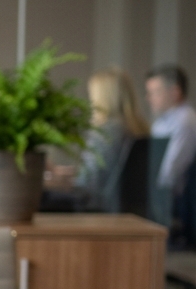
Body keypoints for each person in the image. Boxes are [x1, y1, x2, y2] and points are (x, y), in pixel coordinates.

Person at [73, 67, 150, 212]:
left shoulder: (104, 132)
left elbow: (86, 183)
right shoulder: (141, 128)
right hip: (134, 215)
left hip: (100, 211)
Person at [146, 64, 196, 245]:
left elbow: (170, 172)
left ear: (175, 92)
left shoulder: (185, 120)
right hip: (159, 195)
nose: (149, 98)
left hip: (176, 202)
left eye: (155, 92)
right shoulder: (161, 123)